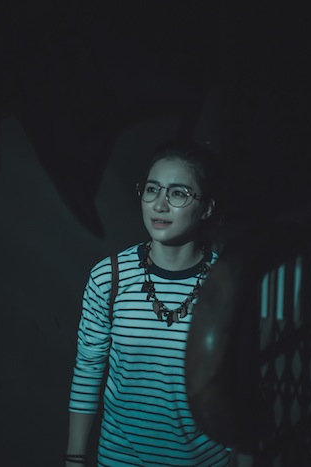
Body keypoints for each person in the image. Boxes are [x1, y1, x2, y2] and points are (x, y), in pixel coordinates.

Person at [65, 141, 234, 466]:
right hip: (120, 459)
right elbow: (88, 369)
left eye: (178, 193)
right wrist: (74, 457)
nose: (159, 204)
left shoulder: (225, 284)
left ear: (207, 208)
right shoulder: (109, 277)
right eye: (152, 189)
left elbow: (239, 381)